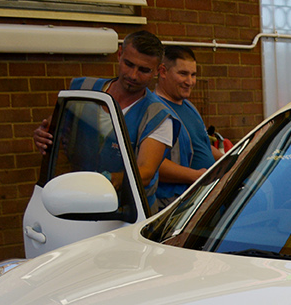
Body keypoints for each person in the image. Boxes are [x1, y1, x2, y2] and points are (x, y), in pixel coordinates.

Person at [32, 29, 180, 213]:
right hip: (75, 201)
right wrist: (43, 136)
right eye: (128, 64)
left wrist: (107, 181)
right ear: (119, 55)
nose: (133, 75)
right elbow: (54, 128)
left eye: (144, 70)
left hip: (128, 213)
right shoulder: (83, 89)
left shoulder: (158, 115)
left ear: (159, 71)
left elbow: (145, 173)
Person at [154, 45, 223, 208]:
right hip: (179, 205)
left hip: (205, 196)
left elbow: (203, 144)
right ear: (163, 71)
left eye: (193, 75)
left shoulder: (188, 105)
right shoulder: (155, 110)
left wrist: (233, 161)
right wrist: (197, 176)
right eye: (183, 74)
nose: (190, 82)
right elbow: (153, 164)